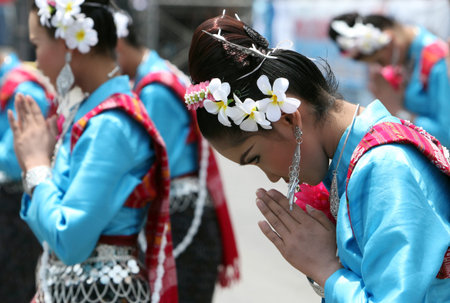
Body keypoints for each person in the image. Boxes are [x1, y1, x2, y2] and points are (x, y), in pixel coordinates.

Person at [184, 14, 450, 302]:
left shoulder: (384, 167)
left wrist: (326, 268)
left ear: (287, 119)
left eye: (256, 158)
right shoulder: (354, 164)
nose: (272, 177)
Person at [8, 0, 177, 301]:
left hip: (99, 290)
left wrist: (35, 166)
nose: (38, 62)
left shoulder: (109, 124)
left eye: (37, 45)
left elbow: (69, 240)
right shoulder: (92, 114)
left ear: (68, 44)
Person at [115, 11, 239, 303]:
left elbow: (149, 168)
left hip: (180, 222)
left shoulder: (154, 90)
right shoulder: (158, 73)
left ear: (117, 44)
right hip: (186, 218)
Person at [328, 13, 450, 148]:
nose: (380, 68)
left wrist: (398, 111)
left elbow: (446, 135)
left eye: (379, 61)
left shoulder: (438, 62)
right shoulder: (405, 59)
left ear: (389, 41)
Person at [0, 49, 54, 302]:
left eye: (38, 42)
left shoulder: (24, 89)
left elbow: (13, 162)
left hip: (14, 208)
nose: (38, 55)